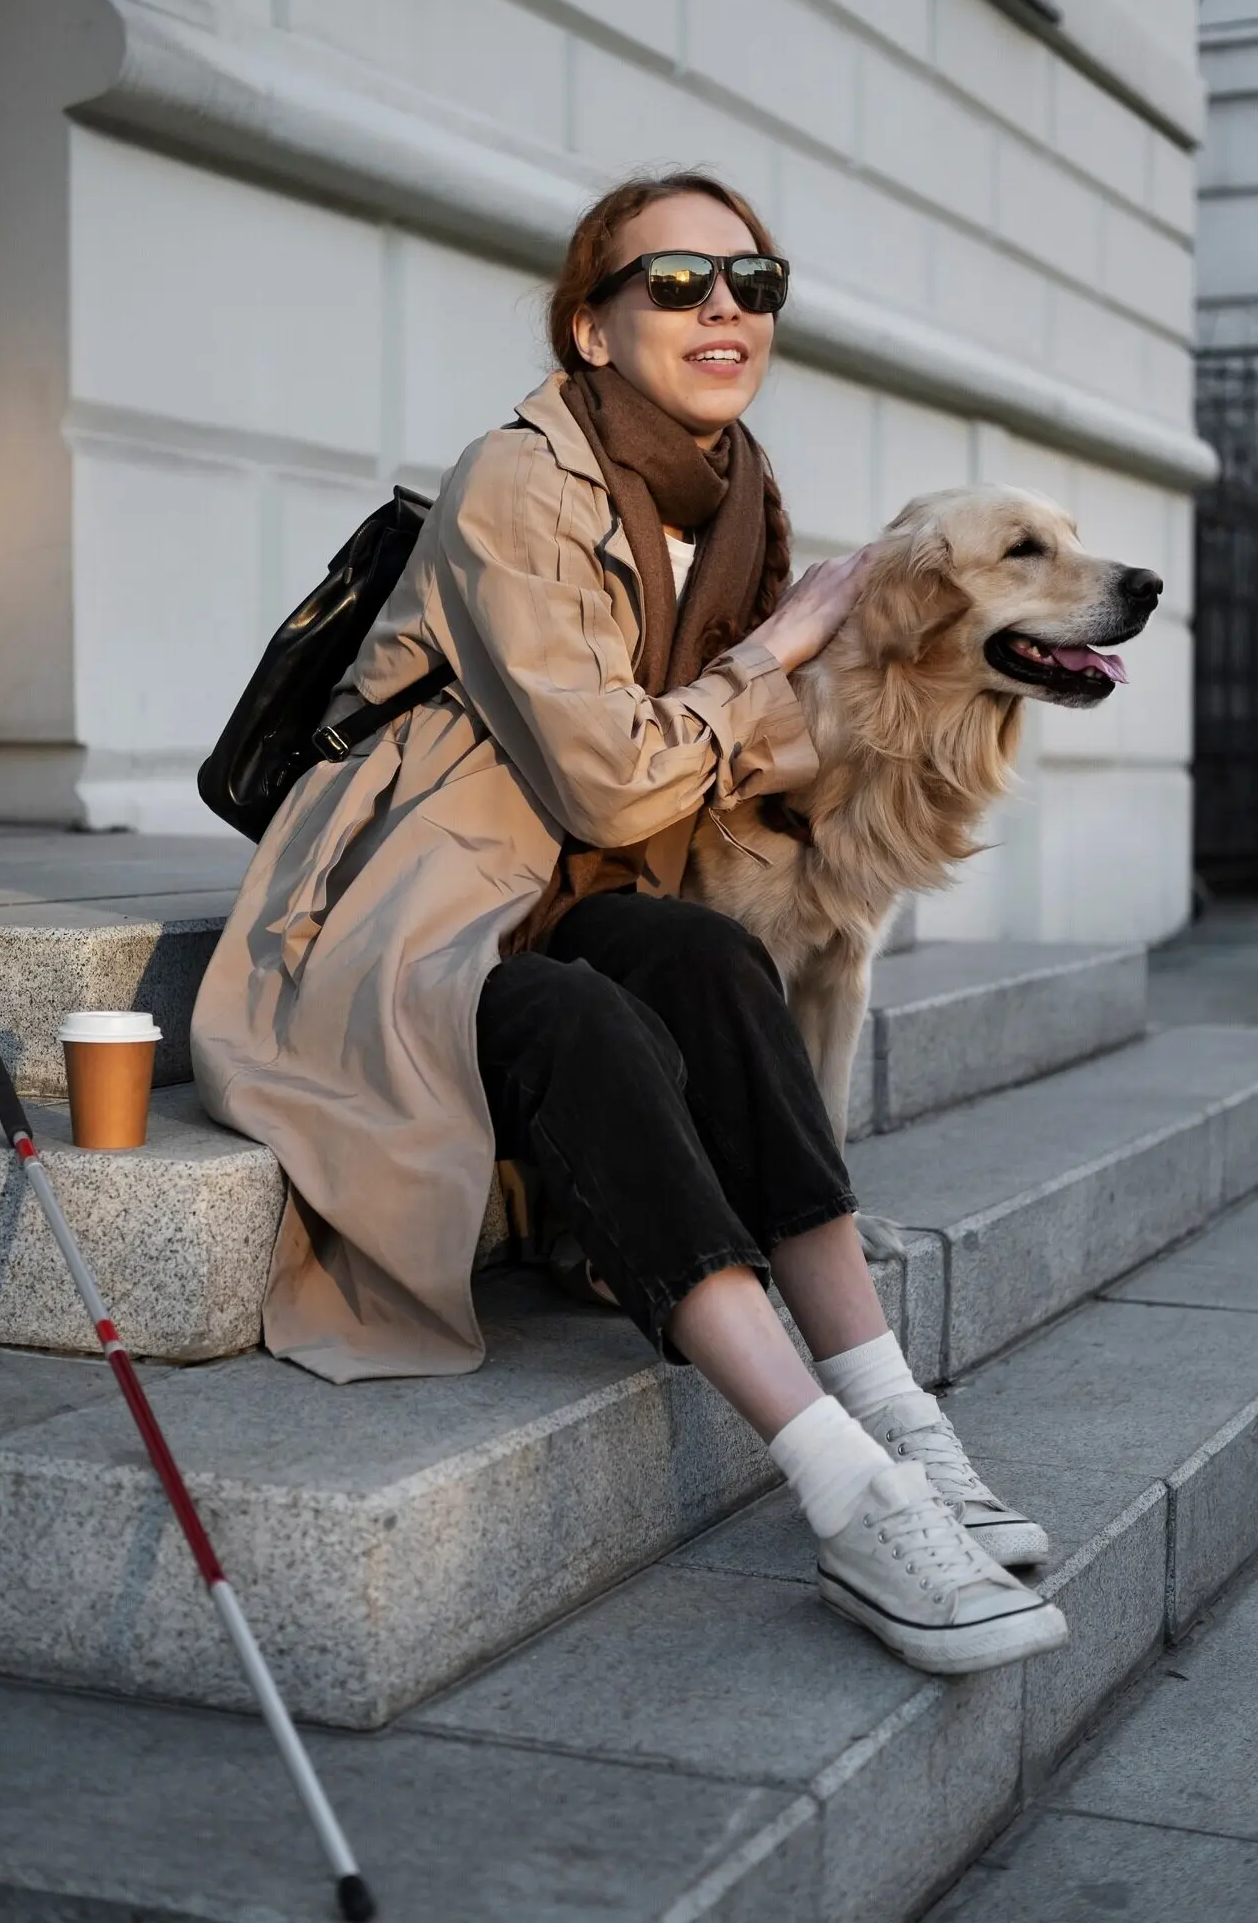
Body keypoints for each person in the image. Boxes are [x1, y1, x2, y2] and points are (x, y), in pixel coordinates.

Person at [192, 172, 1066, 1677]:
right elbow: (611, 779)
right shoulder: (517, 482)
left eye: (752, 280)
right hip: (405, 921)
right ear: (592, 327)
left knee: (714, 965)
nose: (724, 306)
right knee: (586, 1019)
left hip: (563, 894)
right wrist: (781, 650)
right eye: (676, 282)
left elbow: (759, 751)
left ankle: (898, 1414)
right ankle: (845, 1491)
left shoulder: (736, 496)